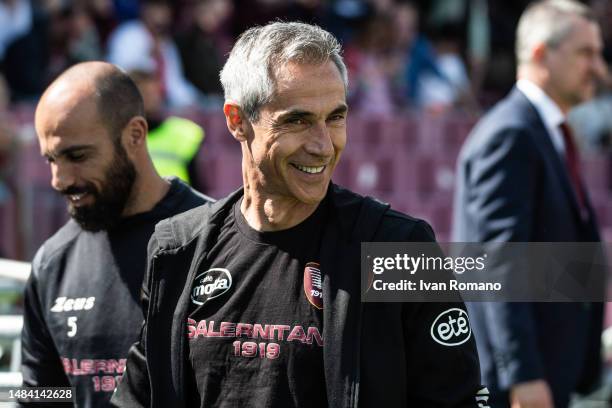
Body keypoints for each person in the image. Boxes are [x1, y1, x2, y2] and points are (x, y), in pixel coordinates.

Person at [112, 21, 484, 408]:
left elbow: (457, 398)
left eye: (335, 118)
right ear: (237, 121)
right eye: (298, 120)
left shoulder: (399, 249)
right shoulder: (178, 249)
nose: (323, 145)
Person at [20, 61, 212, 407]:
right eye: (51, 160)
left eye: (76, 156)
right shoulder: (51, 262)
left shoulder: (220, 240)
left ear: (135, 135)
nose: (59, 180)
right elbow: (41, 396)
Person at [452, 1, 606, 407]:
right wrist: (523, 375)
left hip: (554, 377)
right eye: (585, 53)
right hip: (520, 388)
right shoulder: (511, 135)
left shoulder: (546, 134)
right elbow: (497, 263)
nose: (599, 68)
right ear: (540, 53)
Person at [128, 69, 206, 191]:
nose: (149, 98)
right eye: (143, 93)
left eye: (152, 92)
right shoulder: (120, 136)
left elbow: (199, 185)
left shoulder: (185, 133)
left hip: (182, 207)